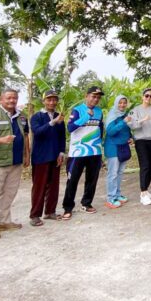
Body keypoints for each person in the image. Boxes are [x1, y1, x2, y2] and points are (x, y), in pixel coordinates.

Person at [0, 89, 30, 240]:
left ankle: (3, 221)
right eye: (8, 98)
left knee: (9, 194)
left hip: (15, 162)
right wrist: (2, 140)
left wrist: (27, 155)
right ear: (1, 99)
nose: (12, 101)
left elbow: (26, 136)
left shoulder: (21, 116)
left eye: (14, 98)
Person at [61, 86, 105, 220]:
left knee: (92, 180)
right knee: (72, 180)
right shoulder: (78, 110)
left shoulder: (99, 111)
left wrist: (100, 147)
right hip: (78, 152)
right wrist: (86, 116)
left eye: (98, 97)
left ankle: (86, 203)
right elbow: (70, 128)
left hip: (94, 151)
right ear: (86, 96)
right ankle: (68, 207)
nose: (95, 99)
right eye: (93, 96)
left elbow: (100, 128)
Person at [29, 90, 66, 227]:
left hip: (55, 155)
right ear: (43, 101)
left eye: (54, 100)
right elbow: (37, 132)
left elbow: (62, 135)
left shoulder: (59, 116)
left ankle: (50, 211)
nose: (52, 102)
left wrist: (62, 152)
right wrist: (52, 122)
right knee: (39, 186)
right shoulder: (37, 116)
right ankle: (35, 215)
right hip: (41, 156)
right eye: (49, 100)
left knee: (54, 185)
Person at [128, 88, 151, 205]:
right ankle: (143, 193)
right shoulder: (135, 110)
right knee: (145, 165)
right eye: (146, 96)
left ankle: (146, 190)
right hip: (141, 141)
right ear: (142, 96)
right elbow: (132, 125)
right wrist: (142, 120)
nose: (149, 98)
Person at [104, 95, 133, 209]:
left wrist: (130, 137)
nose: (122, 105)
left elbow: (126, 129)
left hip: (123, 146)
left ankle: (117, 194)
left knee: (120, 172)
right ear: (116, 103)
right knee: (113, 174)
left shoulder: (124, 115)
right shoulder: (112, 115)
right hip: (113, 148)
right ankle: (110, 198)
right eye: (120, 103)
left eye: (124, 103)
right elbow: (110, 132)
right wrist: (123, 122)